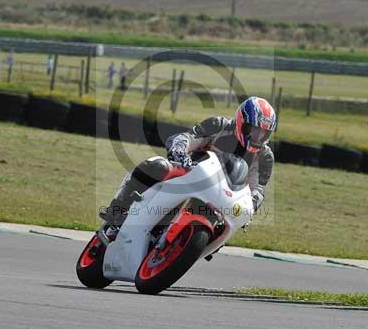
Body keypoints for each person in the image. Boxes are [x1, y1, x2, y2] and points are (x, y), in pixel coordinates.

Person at [99, 96, 277, 240]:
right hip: (190, 173)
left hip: (223, 197)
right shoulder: (219, 126)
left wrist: (250, 208)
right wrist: (180, 150)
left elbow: (258, 190)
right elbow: (187, 138)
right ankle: (116, 211)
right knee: (156, 165)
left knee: (228, 225)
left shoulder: (265, 157)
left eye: (263, 133)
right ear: (241, 121)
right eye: (253, 130)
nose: (257, 136)